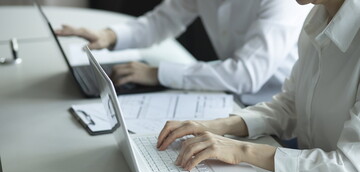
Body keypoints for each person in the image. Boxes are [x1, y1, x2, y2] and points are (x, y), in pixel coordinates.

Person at [156, 0, 360, 172]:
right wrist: (220, 125)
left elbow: (352, 169)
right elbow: (290, 105)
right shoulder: (318, 17)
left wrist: (244, 151)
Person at [56, 0, 310, 105]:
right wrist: (109, 36)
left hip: (278, 106)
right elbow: (163, 20)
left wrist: (156, 74)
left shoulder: (281, 3)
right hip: (230, 96)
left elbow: (246, 75)